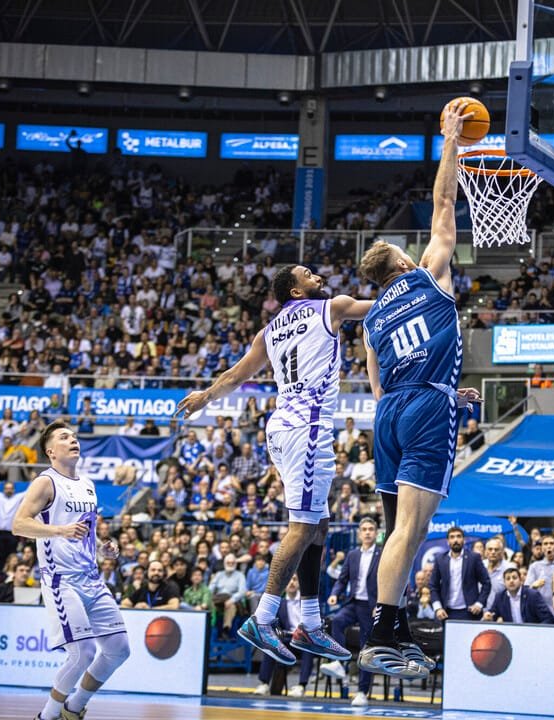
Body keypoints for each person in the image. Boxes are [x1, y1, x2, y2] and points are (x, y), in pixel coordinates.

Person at [176, 263, 372, 668]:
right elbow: (384, 304)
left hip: (281, 428)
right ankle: (263, 618)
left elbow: (235, 376)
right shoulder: (332, 307)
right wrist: (422, 283)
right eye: (307, 274)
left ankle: (311, 624)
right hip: (307, 428)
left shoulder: (267, 332)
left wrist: (205, 398)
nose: (316, 274)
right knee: (302, 528)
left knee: (318, 525)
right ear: (295, 292)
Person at [355, 100, 481, 679]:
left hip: (390, 415)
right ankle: (380, 630)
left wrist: (441, 390)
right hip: (426, 407)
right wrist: (452, 140)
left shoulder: (371, 319)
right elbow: (445, 202)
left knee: (397, 529)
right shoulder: (429, 271)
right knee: (412, 528)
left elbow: (381, 384)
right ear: (405, 260)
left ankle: (396, 626)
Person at [11, 420, 130, 720]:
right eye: (65, 437)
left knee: (118, 649)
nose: (73, 440)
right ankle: (47, 716)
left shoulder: (88, 485)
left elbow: (86, 533)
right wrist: (59, 530)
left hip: (92, 577)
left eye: (75, 436)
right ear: (51, 451)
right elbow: (19, 524)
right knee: (83, 653)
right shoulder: (45, 482)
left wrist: (103, 547)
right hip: (61, 581)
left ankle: (74, 708)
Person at [321, 518, 381, 707]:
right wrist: (334, 594)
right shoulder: (353, 554)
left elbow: (388, 582)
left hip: (371, 607)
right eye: (364, 529)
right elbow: (342, 578)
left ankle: (362, 692)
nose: (367, 532)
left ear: (377, 532)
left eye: (371, 529)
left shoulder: (382, 555)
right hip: (353, 602)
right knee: (336, 621)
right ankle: (339, 662)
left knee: (366, 650)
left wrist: (381, 604)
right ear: (359, 533)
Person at [429, 526, 491, 621]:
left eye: (459, 536)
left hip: (470, 612)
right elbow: (433, 586)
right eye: (452, 537)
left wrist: (479, 604)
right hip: (445, 612)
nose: (456, 540)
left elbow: (486, 583)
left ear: (464, 540)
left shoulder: (474, 558)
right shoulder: (440, 559)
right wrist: (438, 608)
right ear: (448, 541)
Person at [486, 567, 554, 624]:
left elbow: (548, 618)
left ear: (521, 580)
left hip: (533, 634)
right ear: (504, 582)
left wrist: (538, 632)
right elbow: (493, 613)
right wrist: (489, 615)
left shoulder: (532, 595)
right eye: (508, 579)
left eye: (514, 578)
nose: (511, 581)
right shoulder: (500, 597)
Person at [525, 535, 554, 623]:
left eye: (551, 543)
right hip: (541, 615)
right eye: (545, 544)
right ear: (542, 548)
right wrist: (533, 586)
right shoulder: (534, 566)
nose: (548, 546)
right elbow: (526, 591)